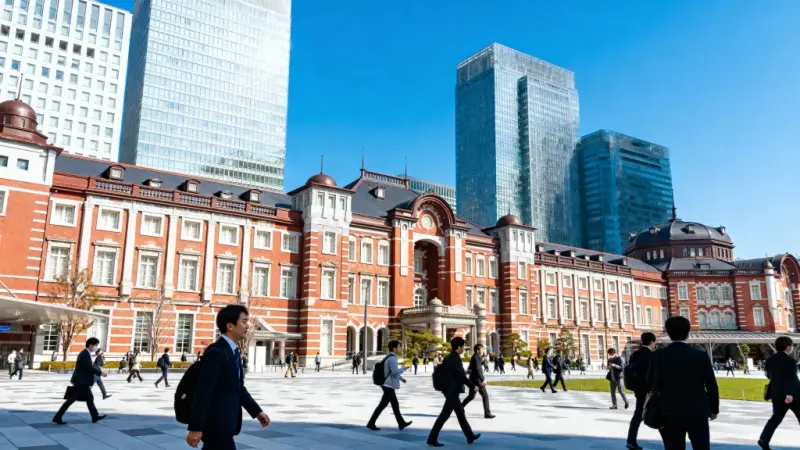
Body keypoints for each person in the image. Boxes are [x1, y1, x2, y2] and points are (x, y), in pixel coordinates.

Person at [186, 305, 270, 450]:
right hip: (216, 426)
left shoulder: (233, 352)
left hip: (225, 426)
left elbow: (238, 387)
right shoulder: (216, 352)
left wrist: (256, 411)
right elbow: (202, 392)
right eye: (244, 321)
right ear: (230, 326)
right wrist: (196, 428)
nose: (247, 325)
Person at [647, 316, 719, 450]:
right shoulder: (700, 355)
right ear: (688, 333)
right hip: (697, 409)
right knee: (701, 446)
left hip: (668, 410)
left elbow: (651, 382)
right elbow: (711, 384)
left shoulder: (657, 355)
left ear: (668, 333)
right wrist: (714, 408)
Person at [427, 337, 481, 447]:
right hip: (452, 390)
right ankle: (432, 439)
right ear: (459, 347)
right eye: (463, 347)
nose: (463, 350)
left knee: (460, 414)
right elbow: (461, 376)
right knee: (444, 416)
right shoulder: (456, 358)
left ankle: (469, 436)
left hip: (449, 390)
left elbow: (454, 373)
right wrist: (473, 386)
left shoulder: (449, 357)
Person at [52, 337, 107, 425]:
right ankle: (58, 417)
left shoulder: (85, 353)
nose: (96, 347)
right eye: (95, 345)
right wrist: (100, 373)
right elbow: (89, 368)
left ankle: (95, 416)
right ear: (90, 345)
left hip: (81, 381)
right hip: (81, 381)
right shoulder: (85, 354)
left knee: (88, 399)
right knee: (73, 400)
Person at [759, 336, 800, 450]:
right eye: (791, 346)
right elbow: (791, 378)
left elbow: (768, 376)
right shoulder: (791, 361)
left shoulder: (770, 360)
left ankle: (764, 439)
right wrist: (790, 393)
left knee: (776, 418)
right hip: (793, 395)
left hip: (776, 393)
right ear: (788, 347)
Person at [367, 340, 412, 431]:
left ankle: (400, 423)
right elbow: (394, 372)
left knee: (386, 405)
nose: (400, 348)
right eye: (399, 347)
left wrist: (401, 379)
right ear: (394, 348)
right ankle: (400, 423)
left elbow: (391, 371)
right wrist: (403, 368)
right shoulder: (392, 358)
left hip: (386, 384)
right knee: (392, 404)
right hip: (388, 385)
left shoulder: (388, 357)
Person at [626, 332, 656, 450]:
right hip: (650, 390)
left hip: (638, 389)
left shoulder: (635, 354)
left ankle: (631, 439)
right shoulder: (652, 355)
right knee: (659, 414)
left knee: (637, 415)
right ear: (652, 342)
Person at [462, 344, 495, 419]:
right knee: (485, 395)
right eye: (482, 349)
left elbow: (471, 368)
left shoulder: (475, 357)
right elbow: (478, 370)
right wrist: (483, 380)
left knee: (471, 396)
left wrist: (482, 360)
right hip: (478, 382)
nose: (483, 350)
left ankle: (460, 408)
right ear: (477, 350)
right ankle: (487, 414)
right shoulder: (476, 358)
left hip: (473, 380)